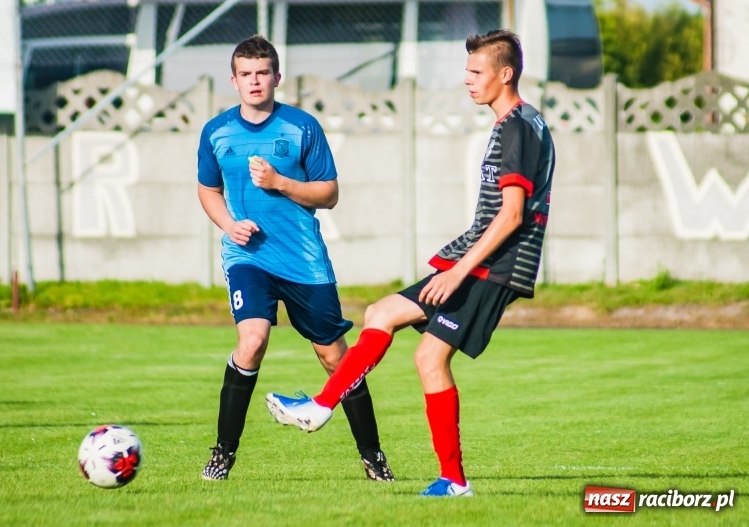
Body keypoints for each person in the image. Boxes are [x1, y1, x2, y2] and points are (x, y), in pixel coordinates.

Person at [266, 29, 555, 497]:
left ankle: (451, 479)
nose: (467, 80)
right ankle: (322, 406)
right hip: (478, 259)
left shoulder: (519, 126)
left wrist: (460, 271)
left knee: (429, 356)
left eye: (476, 72)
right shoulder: (519, 122)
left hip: (491, 266)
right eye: (467, 70)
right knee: (382, 314)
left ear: (505, 74)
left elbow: (513, 214)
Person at [197, 35, 394, 482]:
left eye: (262, 72)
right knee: (252, 341)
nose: (254, 81)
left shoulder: (302, 127)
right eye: (245, 74)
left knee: (336, 359)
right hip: (248, 257)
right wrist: (228, 225)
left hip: (304, 261)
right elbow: (207, 189)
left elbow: (330, 194)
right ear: (234, 80)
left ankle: (374, 457)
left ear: (276, 77)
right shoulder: (216, 132)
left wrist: (280, 182)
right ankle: (223, 454)